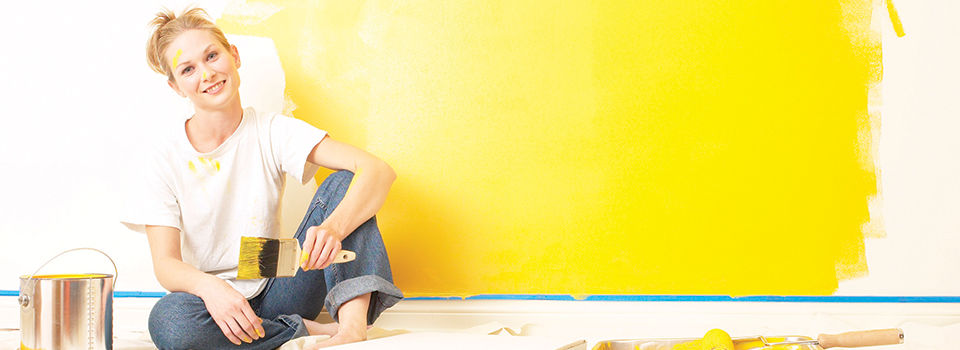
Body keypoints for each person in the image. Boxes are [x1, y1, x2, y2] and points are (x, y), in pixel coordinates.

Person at [121, 7, 403, 350]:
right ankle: (300, 330)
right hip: (210, 304)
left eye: (212, 56)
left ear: (234, 56)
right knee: (168, 321)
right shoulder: (163, 158)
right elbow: (166, 264)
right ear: (176, 86)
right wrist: (213, 289)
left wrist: (333, 229)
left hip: (279, 280)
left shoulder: (271, 130)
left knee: (346, 183)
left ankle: (351, 329)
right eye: (189, 69)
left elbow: (377, 171)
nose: (207, 73)